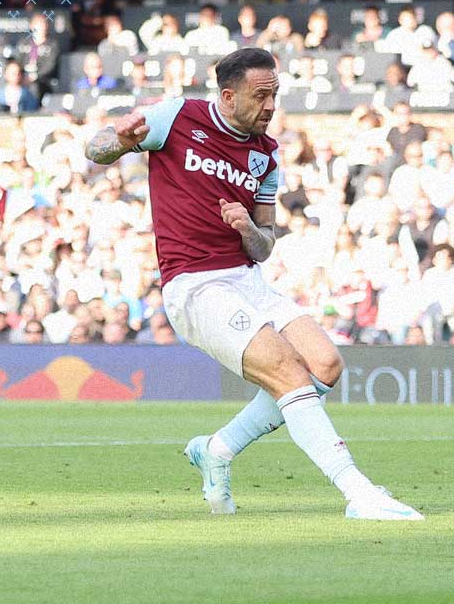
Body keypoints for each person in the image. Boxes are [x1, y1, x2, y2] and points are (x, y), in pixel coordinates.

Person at [83, 48, 422, 521]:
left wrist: (247, 229)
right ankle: (358, 491)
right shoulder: (178, 116)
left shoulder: (266, 155)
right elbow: (94, 150)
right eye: (261, 96)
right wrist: (117, 141)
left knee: (324, 364)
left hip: (248, 279)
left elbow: (265, 245)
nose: (270, 106)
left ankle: (217, 449)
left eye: (274, 95)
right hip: (195, 286)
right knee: (287, 371)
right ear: (228, 95)